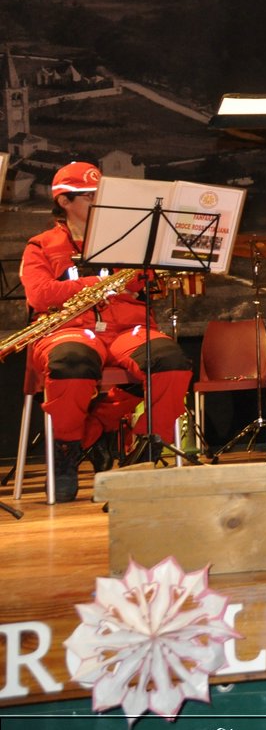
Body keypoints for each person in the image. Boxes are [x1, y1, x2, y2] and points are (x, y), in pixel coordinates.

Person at [20, 162, 193, 501]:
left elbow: (148, 287)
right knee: (72, 364)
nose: (100, 203)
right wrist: (95, 284)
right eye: (90, 197)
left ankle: (143, 449)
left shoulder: (130, 239)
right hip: (67, 329)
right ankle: (67, 454)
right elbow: (39, 294)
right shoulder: (40, 245)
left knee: (171, 361)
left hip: (128, 327)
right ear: (64, 201)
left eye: (103, 196)